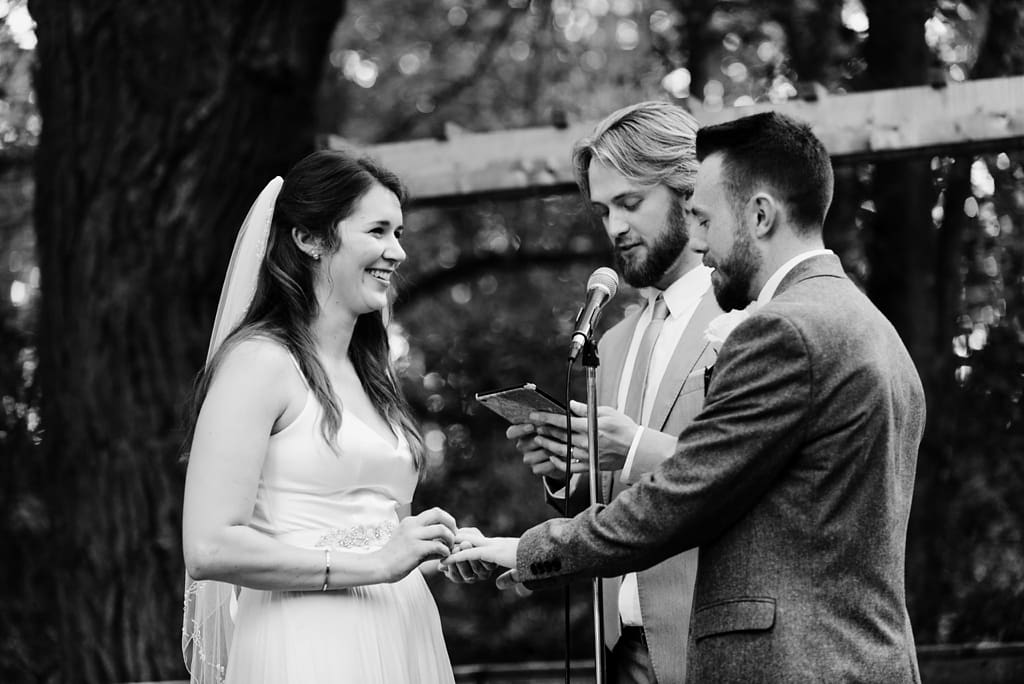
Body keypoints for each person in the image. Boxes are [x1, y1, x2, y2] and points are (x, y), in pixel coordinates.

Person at [448, 112, 927, 683]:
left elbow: (687, 494)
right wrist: (572, 471)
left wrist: (520, 551)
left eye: (703, 217)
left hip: (790, 659)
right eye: (603, 210)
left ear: (758, 214)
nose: (700, 240)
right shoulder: (870, 326)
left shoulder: (776, 329)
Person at [180, 150, 483, 684]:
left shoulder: (373, 373)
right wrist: (374, 566)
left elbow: (376, 532)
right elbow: (208, 547)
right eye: (379, 231)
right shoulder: (259, 363)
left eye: (400, 232)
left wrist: (438, 550)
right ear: (311, 238)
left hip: (402, 631)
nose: (398, 251)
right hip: (306, 641)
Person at [506, 101, 723, 684]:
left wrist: (632, 446)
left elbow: (742, 472)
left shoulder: (748, 317)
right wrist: (567, 470)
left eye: (631, 203)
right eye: (603, 210)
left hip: (706, 642)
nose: (614, 227)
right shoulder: (616, 336)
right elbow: (611, 502)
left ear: (688, 190)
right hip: (615, 648)